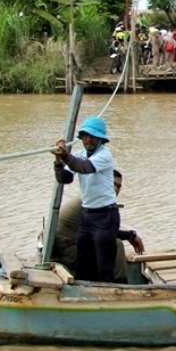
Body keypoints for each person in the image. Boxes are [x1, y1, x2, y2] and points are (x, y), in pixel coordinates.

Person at [52, 116, 121, 282]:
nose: (88, 140)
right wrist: (58, 160)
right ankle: (84, 296)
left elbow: (85, 168)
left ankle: (109, 298)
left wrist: (66, 155)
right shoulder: (80, 154)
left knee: (104, 264)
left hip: (105, 216)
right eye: (85, 136)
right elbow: (65, 178)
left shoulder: (104, 156)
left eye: (93, 136)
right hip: (87, 216)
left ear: (100, 139)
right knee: (83, 263)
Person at [51, 170, 145, 282]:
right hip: (66, 251)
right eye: (112, 184)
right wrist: (132, 235)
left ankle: (101, 280)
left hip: (67, 246)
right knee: (116, 244)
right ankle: (121, 284)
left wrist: (130, 235)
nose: (115, 188)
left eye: (118, 186)